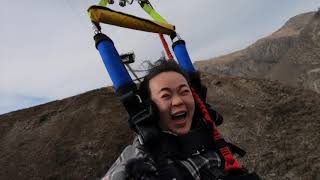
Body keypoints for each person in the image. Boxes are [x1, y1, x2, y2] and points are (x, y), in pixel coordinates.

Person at [101, 60, 260, 180]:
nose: (178, 101)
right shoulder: (140, 162)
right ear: (149, 109)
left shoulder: (207, 137)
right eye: (166, 95)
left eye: (184, 91)